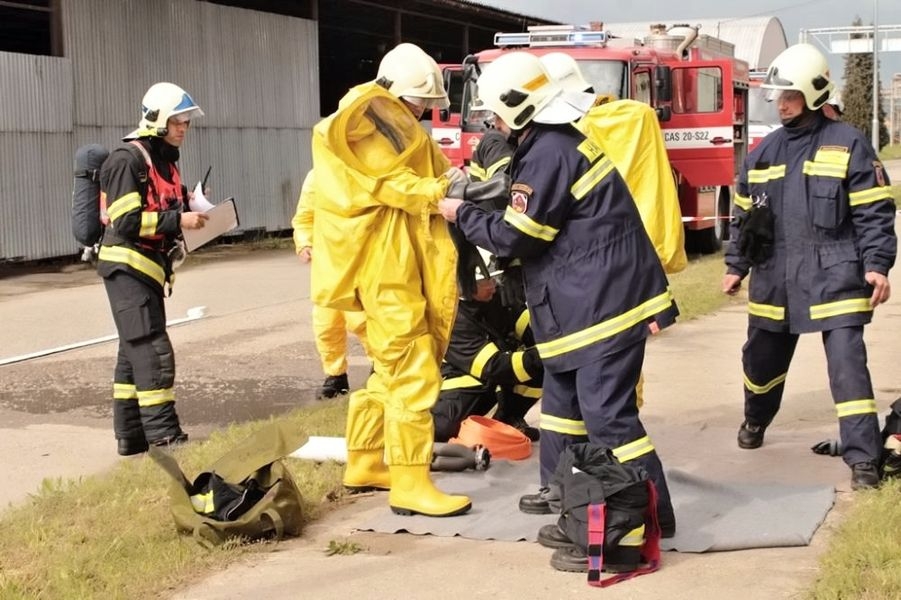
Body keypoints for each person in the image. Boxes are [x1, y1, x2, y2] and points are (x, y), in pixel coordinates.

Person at [438, 52, 679, 537]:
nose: (492, 123)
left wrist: (460, 213)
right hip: (580, 303)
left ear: (520, 108)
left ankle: (651, 514)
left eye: (496, 113)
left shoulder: (549, 152)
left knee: (609, 419)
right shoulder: (549, 146)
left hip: (602, 308)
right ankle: (563, 493)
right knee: (562, 409)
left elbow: (517, 235)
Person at [722, 43, 896, 490]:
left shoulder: (849, 144)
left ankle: (863, 460)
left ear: (815, 95)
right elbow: (744, 217)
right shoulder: (763, 152)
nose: (781, 104)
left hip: (837, 274)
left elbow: (874, 212)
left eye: (791, 96)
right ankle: (755, 419)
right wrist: (736, 265)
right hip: (774, 278)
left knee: (847, 368)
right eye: (778, 96)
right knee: (759, 363)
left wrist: (877, 264)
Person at [310, 42, 472, 517]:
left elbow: (427, 171)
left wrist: (460, 176)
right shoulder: (362, 128)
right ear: (395, 93)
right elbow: (390, 185)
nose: (423, 112)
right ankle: (410, 482)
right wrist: (440, 192)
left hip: (390, 264)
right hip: (381, 269)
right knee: (413, 371)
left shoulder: (390, 126)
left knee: (388, 371)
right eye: (419, 102)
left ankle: (364, 461)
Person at [98, 82, 209, 456]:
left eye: (186, 123)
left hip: (148, 270)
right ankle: (165, 437)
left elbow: (165, 204)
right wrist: (179, 219)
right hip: (126, 267)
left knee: (133, 352)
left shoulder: (164, 160)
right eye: (177, 122)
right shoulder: (126, 160)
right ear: (157, 121)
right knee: (152, 350)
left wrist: (192, 205)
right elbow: (125, 221)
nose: (183, 129)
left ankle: (130, 438)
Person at [431, 251, 543, 443]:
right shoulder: (450, 317)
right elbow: (491, 366)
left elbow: (529, 325)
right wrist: (543, 356)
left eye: (495, 279)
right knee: (443, 427)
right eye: (487, 282)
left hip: (489, 375)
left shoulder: (495, 298)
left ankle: (509, 419)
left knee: (540, 368)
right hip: (457, 382)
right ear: (466, 284)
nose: (494, 286)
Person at [292, 170, 371, 399]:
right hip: (326, 265)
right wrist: (304, 243)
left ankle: (381, 368)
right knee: (326, 324)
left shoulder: (362, 171)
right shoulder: (317, 176)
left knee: (363, 322)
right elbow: (304, 217)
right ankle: (335, 375)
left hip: (359, 262)